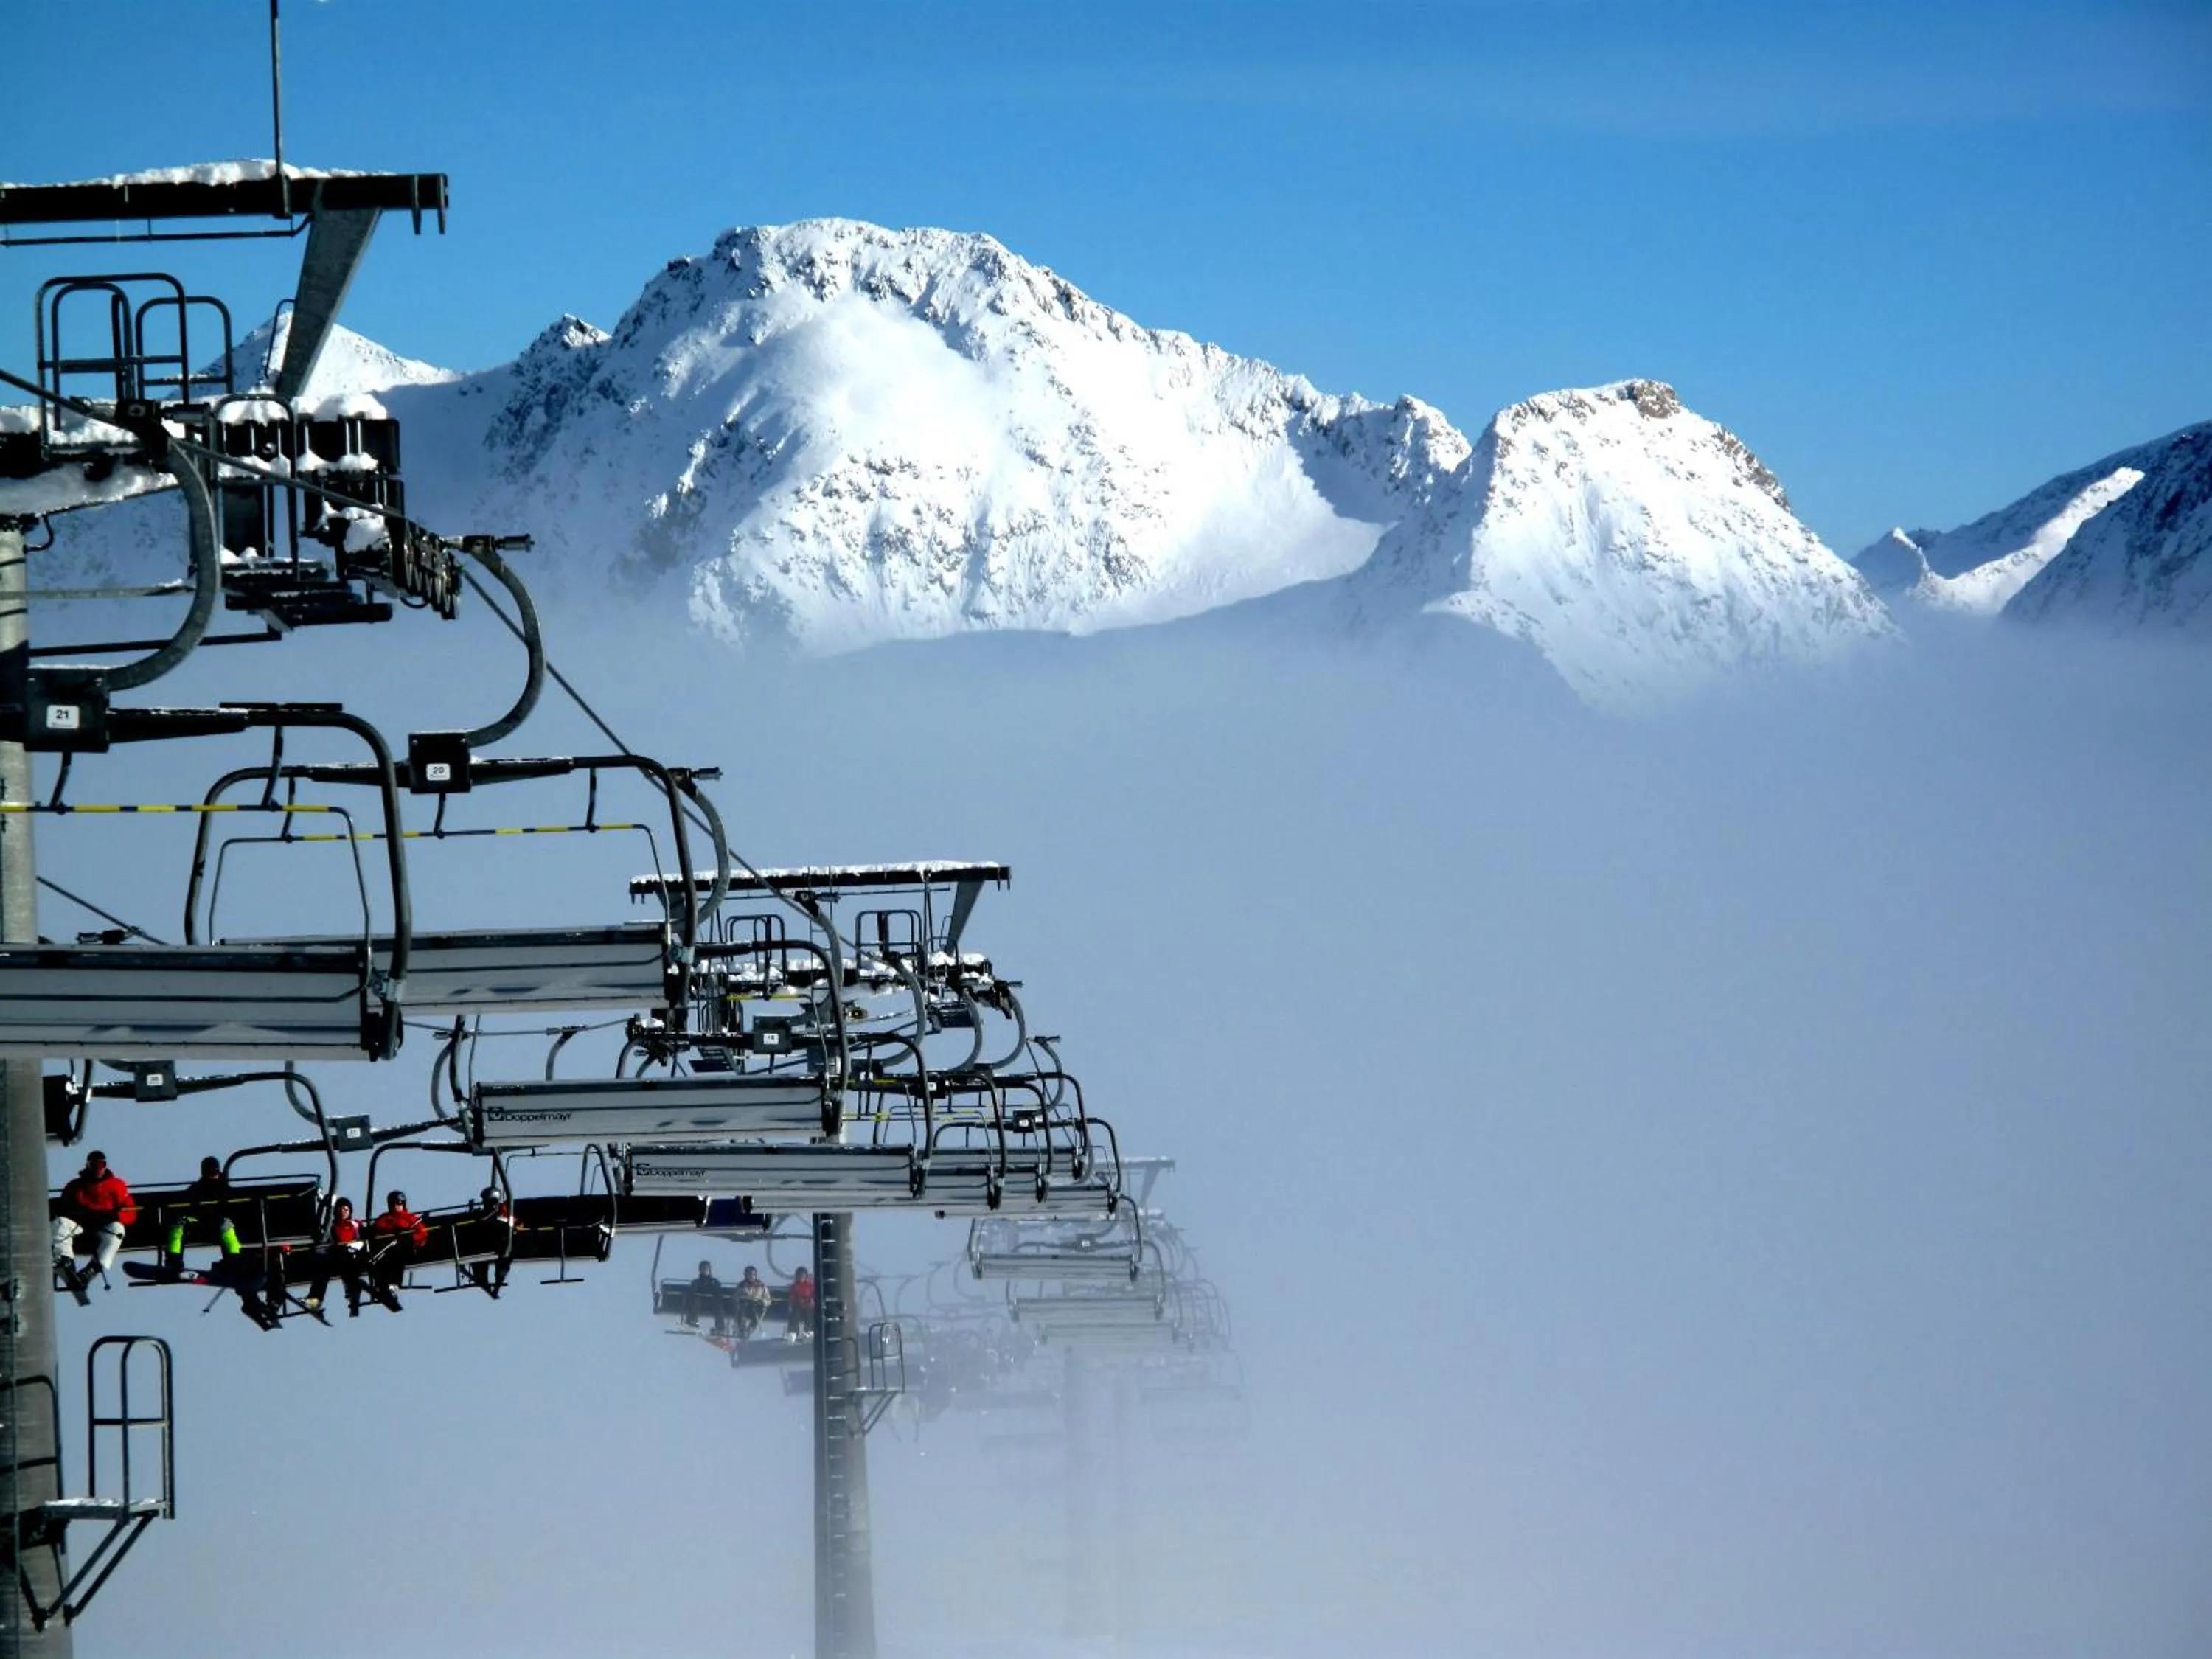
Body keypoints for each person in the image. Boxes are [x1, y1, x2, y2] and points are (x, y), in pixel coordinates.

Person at [52, 1150, 137, 1296]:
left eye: (101, 1164)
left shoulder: (117, 1185)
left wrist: (115, 1215)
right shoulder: (76, 1186)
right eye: (94, 1165)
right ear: (88, 1166)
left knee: (118, 1231)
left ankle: (92, 1270)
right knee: (61, 1224)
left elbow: (130, 1211)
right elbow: (63, 1207)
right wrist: (77, 1213)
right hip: (80, 1224)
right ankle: (66, 1261)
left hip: (103, 1225)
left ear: (105, 1166)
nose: (98, 1169)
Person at [164, 1155, 243, 1269]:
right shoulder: (197, 1188)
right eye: (209, 1173)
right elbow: (185, 1204)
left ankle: (234, 1260)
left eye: (214, 1173)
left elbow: (230, 1207)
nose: (212, 1176)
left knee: (226, 1225)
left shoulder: (223, 1188)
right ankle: (173, 1260)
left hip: (216, 1222)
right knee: (179, 1224)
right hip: (198, 1221)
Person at [305, 1196, 369, 1318]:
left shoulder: (355, 1224)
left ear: (350, 1211)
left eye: (346, 1209)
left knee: (350, 1267)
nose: (343, 1212)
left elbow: (366, 1236)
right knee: (323, 1272)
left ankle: (353, 1294)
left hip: (354, 1256)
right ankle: (315, 1300)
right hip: (337, 1258)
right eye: (341, 1209)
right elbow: (324, 1241)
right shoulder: (332, 1227)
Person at [365, 1190, 428, 1312]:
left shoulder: (410, 1219)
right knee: (380, 1259)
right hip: (387, 1249)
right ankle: (380, 1286)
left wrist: (409, 1237)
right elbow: (377, 1230)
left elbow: (422, 1233)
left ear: (403, 1204)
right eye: (393, 1204)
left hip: (404, 1250)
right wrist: (387, 1234)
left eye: (399, 1204)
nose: (396, 1207)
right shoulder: (384, 1219)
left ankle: (393, 1285)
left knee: (398, 1256)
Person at [685, 1259, 726, 1335]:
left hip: (711, 1305)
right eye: (703, 1269)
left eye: (706, 1269)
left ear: (709, 1270)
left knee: (718, 1304)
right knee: (696, 1299)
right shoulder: (696, 1282)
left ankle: (720, 1327)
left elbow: (719, 1293)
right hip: (699, 1305)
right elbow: (691, 1293)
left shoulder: (714, 1282)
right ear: (700, 1270)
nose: (704, 1271)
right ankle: (692, 1320)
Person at [734, 1265, 771, 1340]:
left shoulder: (761, 1285)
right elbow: (736, 1297)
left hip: (757, 1308)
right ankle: (742, 1329)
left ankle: (750, 1329)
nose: (751, 1277)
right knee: (742, 1308)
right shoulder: (742, 1285)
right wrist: (742, 1298)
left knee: (760, 1311)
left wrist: (763, 1302)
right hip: (746, 1307)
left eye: (753, 1275)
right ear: (746, 1275)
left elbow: (768, 1298)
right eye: (749, 1275)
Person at [785, 1265, 816, 1342]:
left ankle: (809, 1331)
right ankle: (793, 1332)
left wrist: (811, 1300)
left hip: (808, 1306)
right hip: (798, 1306)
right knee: (795, 1315)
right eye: (799, 1276)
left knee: (810, 1315)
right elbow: (792, 1296)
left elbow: (814, 1295)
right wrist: (793, 1302)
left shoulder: (810, 1286)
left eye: (802, 1276)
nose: (801, 1278)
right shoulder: (794, 1286)